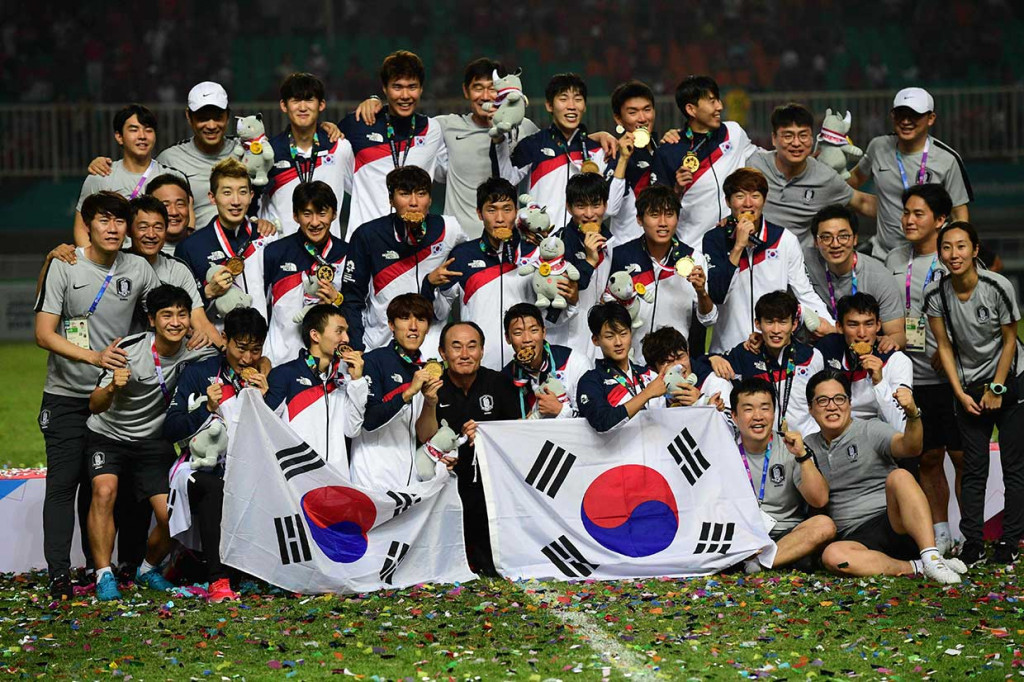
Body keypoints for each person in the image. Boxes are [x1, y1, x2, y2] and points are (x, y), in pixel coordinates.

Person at [34, 191, 160, 599]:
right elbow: (43, 333)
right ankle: (59, 574)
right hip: (67, 395)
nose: (112, 228)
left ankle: (108, 566)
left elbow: (160, 314)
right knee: (65, 484)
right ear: (87, 225)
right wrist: (96, 357)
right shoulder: (65, 265)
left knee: (109, 483)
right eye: (103, 220)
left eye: (119, 221)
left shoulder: (138, 268)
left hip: (114, 396)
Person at [84, 285, 214, 600]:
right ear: (151, 320)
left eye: (182, 314)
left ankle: (147, 569)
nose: (175, 322)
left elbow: (239, 356)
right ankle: (104, 574)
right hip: (108, 435)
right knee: (104, 492)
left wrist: (262, 368)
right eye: (166, 315)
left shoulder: (198, 351)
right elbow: (94, 405)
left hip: (153, 442)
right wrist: (112, 388)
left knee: (172, 515)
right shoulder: (127, 349)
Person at [805, 370, 965, 583]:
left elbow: (911, 447)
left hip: (893, 521)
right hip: (854, 536)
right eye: (822, 400)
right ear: (810, 408)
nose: (832, 406)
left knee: (899, 476)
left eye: (839, 398)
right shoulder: (807, 447)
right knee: (834, 557)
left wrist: (912, 414)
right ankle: (918, 566)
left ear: (849, 403)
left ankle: (931, 556)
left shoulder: (869, 429)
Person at [355, 57, 541, 239]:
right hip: (459, 242)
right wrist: (374, 101)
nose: (485, 96)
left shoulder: (526, 129)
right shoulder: (444, 127)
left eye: (492, 89)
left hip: (504, 237)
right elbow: (403, 115)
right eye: (478, 88)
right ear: (466, 91)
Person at [926, 221, 1024, 566]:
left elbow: (1010, 340)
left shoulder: (997, 286)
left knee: (1014, 466)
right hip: (968, 387)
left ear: (975, 250)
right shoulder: (936, 294)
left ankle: (1010, 541)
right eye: (947, 247)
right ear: (940, 254)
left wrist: (997, 388)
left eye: (962, 246)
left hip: (1010, 381)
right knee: (974, 468)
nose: (955, 254)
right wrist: (959, 393)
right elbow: (944, 347)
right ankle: (973, 544)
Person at [164, 307, 271, 604]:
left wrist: (265, 402)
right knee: (215, 489)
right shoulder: (199, 374)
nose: (247, 358)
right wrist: (206, 409)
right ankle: (217, 580)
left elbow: (275, 436)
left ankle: (262, 568)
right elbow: (170, 428)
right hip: (199, 467)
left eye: (255, 349)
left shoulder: (263, 380)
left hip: (247, 467)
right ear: (224, 339)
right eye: (241, 348)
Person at [884, 184, 960, 552]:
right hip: (915, 376)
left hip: (956, 377)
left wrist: (950, 350)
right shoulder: (893, 259)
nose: (909, 220)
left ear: (941, 220)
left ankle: (971, 530)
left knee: (962, 456)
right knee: (928, 457)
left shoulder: (954, 259)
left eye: (919, 214)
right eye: (906, 212)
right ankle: (941, 533)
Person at [415, 321, 519, 574]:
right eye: (456, 347)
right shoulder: (432, 385)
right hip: (446, 477)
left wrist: (484, 436)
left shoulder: (499, 383)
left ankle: (492, 561)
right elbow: (423, 437)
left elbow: (516, 433)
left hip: (491, 477)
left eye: (472, 347)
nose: (464, 354)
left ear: (482, 351)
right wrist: (430, 403)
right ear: (442, 353)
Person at [703, 167, 834, 354]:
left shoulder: (784, 239)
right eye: (740, 196)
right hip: (727, 350)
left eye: (755, 196)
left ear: (764, 200)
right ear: (728, 202)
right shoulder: (714, 238)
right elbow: (717, 295)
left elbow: (804, 292)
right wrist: (738, 246)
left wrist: (832, 326)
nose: (748, 204)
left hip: (773, 348)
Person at [341, 166, 467, 356]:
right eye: (405, 194)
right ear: (391, 200)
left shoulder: (449, 229)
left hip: (430, 347)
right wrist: (357, 346)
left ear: (430, 199)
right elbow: (352, 298)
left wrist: (444, 291)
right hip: (379, 343)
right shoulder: (368, 235)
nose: (414, 203)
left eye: (421, 194)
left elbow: (471, 255)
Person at [421, 178, 537, 369]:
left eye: (507, 209)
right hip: (479, 366)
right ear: (479, 213)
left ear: (516, 212)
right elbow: (440, 313)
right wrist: (431, 285)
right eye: (491, 210)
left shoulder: (534, 253)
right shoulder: (463, 255)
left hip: (526, 362)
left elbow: (550, 314)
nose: (500, 219)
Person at [849, 87, 971, 258]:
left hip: (929, 257)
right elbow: (853, 179)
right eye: (900, 115)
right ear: (892, 116)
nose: (906, 121)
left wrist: (954, 253)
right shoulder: (878, 147)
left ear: (931, 118)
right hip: (883, 255)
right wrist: (825, 171)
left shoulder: (947, 159)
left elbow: (959, 215)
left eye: (914, 115)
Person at [729, 378, 835, 569]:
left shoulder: (791, 447)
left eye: (764, 408)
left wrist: (802, 456)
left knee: (824, 525)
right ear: (734, 416)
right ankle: (765, 561)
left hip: (785, 535)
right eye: (748, 409)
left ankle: (758, 564)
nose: (758, 416)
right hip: (741, 535)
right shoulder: (723, 449)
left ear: (774, 413)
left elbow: (819, 500)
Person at [337, 51, 445, 235]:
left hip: (413, 243)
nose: (405, 95)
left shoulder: (432, 130)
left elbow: (452, 171)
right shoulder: (358, 124)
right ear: (385, 89)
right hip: (366, 241)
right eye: (397, 87)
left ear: (421, 89)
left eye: (412, 87)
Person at [607, 184, 716, 363]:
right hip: (629, 363)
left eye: (669, 214)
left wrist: (701, 292)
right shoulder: (620, 256)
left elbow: (708, 320)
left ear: (678, 218)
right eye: (654, 215)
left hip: (674, 362)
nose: (663, 223)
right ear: (639, 220)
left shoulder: (693, 259)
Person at [496, 73, 618, 228]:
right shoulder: (533, 145)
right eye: (563, 98)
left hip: (582, 244)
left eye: (578, 99)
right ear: (549, 105)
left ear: (585, 106)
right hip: (541, 244)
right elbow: (506, 180)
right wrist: (499, 141)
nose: (572, 105)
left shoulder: (598, 150)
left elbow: (608, 206)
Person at [747, 103, 876, 248]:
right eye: (788, 136)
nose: (796, 143)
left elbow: (863, 203)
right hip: (757, 263)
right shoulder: (753, 166)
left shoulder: (824, 177)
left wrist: (903, 212)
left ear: (812, 138)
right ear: (774, 139)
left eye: (803, 135)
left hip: (802, 266)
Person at [651, 75, 757, 245]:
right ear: (691, 109)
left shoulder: (734, 133)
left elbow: (762, 159)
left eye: (718, 100)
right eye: (712, 101)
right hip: (692, 249)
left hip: (735, 244)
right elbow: (657, 211)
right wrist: (677, 189)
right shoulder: (668, 152)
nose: (720, 107)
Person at [174, 158, 277, 325]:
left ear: (251, 196)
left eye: (242, 192)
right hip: (217, 344)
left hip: (265, 344)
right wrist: (207, 292)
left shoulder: (267, 237)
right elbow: (180, 309)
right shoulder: (190, 248)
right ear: (212, 198)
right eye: (227, 192)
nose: (235, 201)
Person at [349, 294, 436, 490]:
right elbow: (369, 421)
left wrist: (430, 403)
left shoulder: (424, 369)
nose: (413, 326)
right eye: (405, 318)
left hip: (409, 480)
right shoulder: (373, 361)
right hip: (372, 479)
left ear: (428, 327)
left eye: (421, 319)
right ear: (391, 325)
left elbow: (423, 436)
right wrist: (409, 392)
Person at [265, 304, 367, 471]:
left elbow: (352, 430)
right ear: (315, 335)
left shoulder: (342, 381)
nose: (347, 339)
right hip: (297, 482)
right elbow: (266, 428)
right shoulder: (285, 374)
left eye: (346, 332)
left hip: (336, 481)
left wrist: (357, 382)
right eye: (339, 331)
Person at [710, 291, 824, 436]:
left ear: (794, 324)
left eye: (783, 322)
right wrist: (713, 358)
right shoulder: (746, 354)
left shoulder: (812, 357)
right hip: (764, 446)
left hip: (807, 440)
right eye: (769, 322)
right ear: (757, 323)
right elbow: (697, 365)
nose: (776, 330)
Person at [259, 181, 348, 364]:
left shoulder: (347, 253)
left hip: (331, 361)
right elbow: (260, 305)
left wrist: (337, 300)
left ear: (334, 214)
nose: (315, 222)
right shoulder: (275, 252)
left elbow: (356, 307)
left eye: (322, 213)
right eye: (307, 214)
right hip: (281, 359)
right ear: (295, 216)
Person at [259, 72, 353, 239]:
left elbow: (362, 191)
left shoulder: (339, 148)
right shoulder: (269, 152)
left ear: (321, 104)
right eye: (296, 100)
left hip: (330, 258)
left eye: (309, 100)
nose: (303, 107)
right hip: (283, 257)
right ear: (284, 105)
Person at [73, 105, 181, 247]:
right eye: (134, 130)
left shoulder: (173, 177)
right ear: (119, 136)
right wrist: (95, 265)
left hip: (162, 261)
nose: (142, 136)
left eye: (148, 130)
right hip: (115, 264)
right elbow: (81, 227)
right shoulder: (100, 177)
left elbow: (187, 224)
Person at [804, 205, 905, 348]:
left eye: (843, 236)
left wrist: (890, 341)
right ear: (816, 242)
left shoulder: (879, 276)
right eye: (826, 237)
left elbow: (897, 333)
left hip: (864, 352)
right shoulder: (803, 262)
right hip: (816, 352)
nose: (835, 244)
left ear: (855, 239)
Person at [543, 172, 619, 358]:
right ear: (568, 207)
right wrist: (590, 261)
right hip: (565, 344)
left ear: (605, 206)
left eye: (596, 205)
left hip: (600, 349)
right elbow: (550, 313)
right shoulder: (555, 246)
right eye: (580, 206)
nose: (589, 214)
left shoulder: (612, 245)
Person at [815, 293, 913, 429]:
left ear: (878, 326)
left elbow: (900, 427)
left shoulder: (896, 361)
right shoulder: (825, 350)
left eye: (869, 324)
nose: (862, 333)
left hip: (876, 432)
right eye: (853, 325)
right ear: (839, 327)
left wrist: (879, 382)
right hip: (833, 430)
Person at [576, 303, 668, 433]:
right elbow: (602, 421)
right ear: (595, 340)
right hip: (615, 453)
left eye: (623, 333)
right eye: (609, 336)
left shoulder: (650, 375)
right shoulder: (591, 381)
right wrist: (647, 394)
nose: (618, 342)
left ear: (631, 333)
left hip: (655, 451)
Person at [501, 302, 592, 419]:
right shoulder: (505, 379)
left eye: (533, 330)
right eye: (518, 333)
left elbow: (592, 420)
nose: (527, 339)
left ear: (544, 332)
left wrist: (560, 410)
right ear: (508, 338)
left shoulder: (574, 362)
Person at [640, 326, 730, 410]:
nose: (678, 366)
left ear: (688, 353)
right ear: (654, 369)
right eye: (668, 362)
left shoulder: (715, 383)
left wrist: (701, 403)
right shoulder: (649, 395)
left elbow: (731, 424)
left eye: (680, 357)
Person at [147, 173, 196, 254]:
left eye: (180, 204)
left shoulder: (205, 243)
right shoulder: (137, 251)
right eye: (165, 205)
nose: (174, 212)